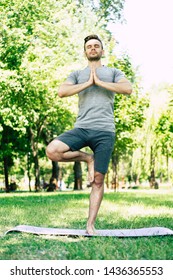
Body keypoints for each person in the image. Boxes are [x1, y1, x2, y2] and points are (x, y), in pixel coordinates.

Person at [46, 34, 132, 235]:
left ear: (102, 51)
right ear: (85, 52)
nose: (93, 49)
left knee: (98, 179)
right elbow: (62, 92)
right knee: (53, 150)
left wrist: (100, 83)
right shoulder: (76, 74)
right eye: (89, 46)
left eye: (96, 46)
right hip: (82, 128)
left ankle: (90, 225)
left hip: (105, 130)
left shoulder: (113, 72)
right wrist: (88, 83)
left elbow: (127, 89)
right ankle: (87, 158)